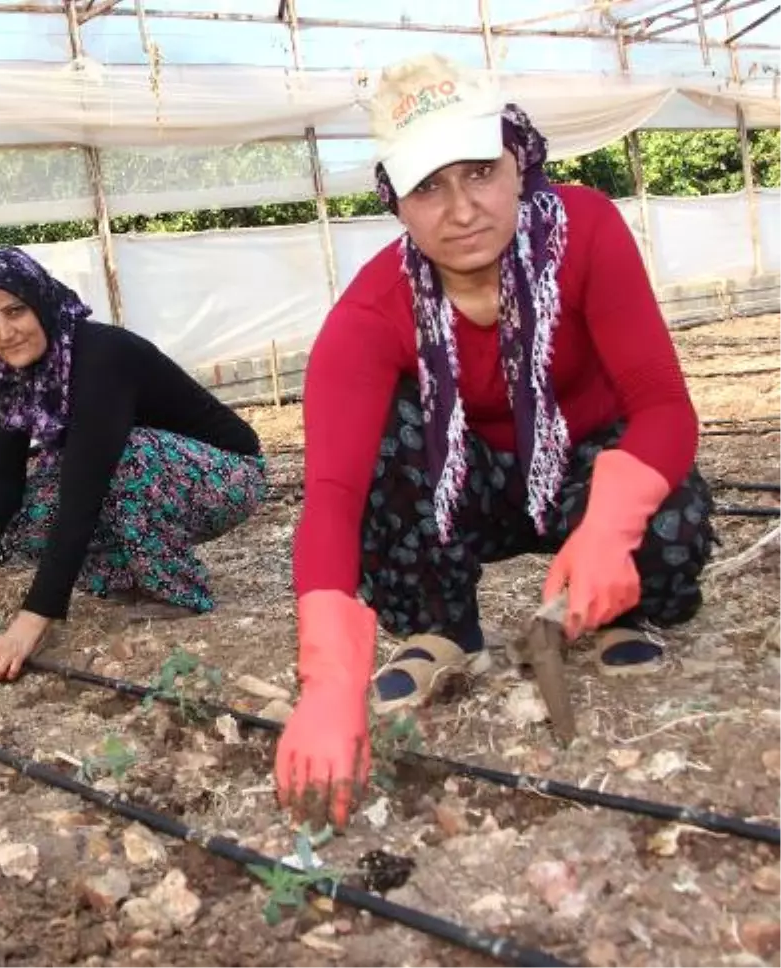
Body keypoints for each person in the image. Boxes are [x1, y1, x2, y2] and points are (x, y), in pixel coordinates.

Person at [274, 53, 714, 829]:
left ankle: (608, 606)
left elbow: (664, 406)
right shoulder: (371, 313)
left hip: (584, 475)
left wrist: (613, 522)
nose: (461, 208)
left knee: (669, 529)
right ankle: (444, 628)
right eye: (428, 187)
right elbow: (333, 499)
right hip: (466, 491)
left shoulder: (587, 231)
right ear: (398, 204)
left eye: (479, 171)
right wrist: (330, 679)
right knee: (379, 434)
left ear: (520, 165)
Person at [0, 246, 267, 682]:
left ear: (40, 301)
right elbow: (3, 467)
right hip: (144, 471)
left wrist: (29, 624)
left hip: (229, 474)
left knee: (123, 458)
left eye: (16, 311)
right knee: (27, 514)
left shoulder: (101, 354)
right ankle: (131, 578)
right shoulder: (8, 370)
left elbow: (84, 491)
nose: (5, 333)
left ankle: (177, 589)